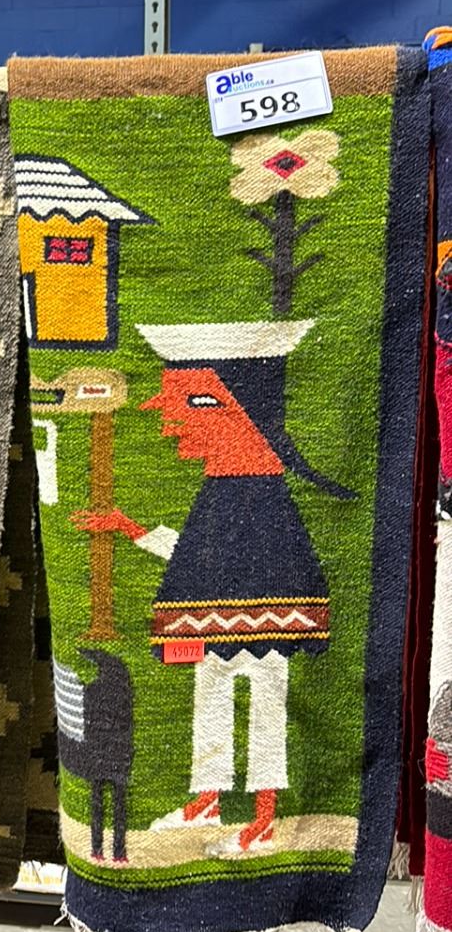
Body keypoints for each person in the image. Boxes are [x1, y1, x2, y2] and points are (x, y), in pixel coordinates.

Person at [74, 320, 351, 857]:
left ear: (238, 409)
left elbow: (277, 558)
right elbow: (193, 553)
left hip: (269, 624)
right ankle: (209, 799)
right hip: (210, 622)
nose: (172, 424)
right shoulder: (220, 489)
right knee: (212, 698)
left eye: (191, 405)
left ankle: (265, 818)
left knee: (266, 702)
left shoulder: (263, 493)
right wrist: (129, 528)